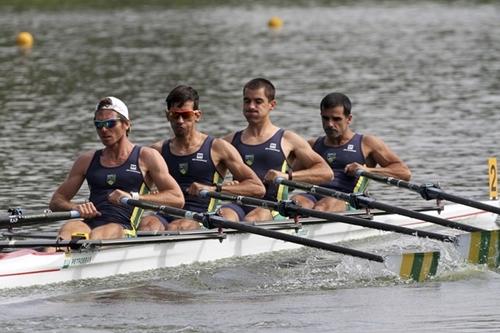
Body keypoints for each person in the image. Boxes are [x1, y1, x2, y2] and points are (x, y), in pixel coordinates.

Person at [49, 96, 184, 240]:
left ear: (126, 124)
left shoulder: (147, 156)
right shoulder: (86, 160)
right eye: (99, 124)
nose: (104, 129)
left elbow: (177, 198)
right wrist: (75, 207)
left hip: (122, 227)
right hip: (89, 223)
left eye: (110, 123)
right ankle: (53, 255)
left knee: (102, 232)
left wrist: (134, 197)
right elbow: (56, 201)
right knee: (68, 228)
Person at [139, 85, 265, 231]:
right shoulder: (157, 151)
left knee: (177, 226)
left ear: (197, 115)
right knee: (147, 224)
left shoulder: (217, 148)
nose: (180, 121)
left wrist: (215, 188)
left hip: (201, 216)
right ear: (168, 115)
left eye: (186, 115)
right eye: (175, 115)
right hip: (164, 214)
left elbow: (257, 188)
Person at [223, 78, 334, 222]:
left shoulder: (287, 139)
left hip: (273, 206)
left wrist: (286, 177)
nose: (251, 106)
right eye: (247, 101)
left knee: (252, 219)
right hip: (238, 204)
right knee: (222, 216)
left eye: (258, 101)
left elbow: (326, 173)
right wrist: (224, 186)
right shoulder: (229, 141)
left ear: (272, 105)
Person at [291, 92, 411, 211]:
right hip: (313, 195)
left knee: (322, 207)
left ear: (349, 119)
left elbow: (404, 173)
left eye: (336, 119)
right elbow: (291, 178)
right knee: (296, 203)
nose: (330, 124)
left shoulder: (367, 143)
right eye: (325, 118)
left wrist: (367, 170)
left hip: (349, 198)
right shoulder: (312, 146)